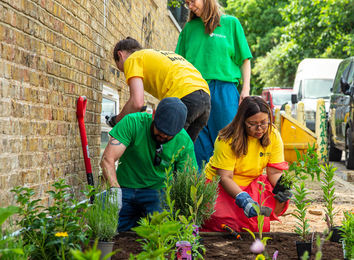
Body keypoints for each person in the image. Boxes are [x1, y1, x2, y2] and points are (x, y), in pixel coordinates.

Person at [101, 97, 197, 232]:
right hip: (124, 189)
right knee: (104, 226)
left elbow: (187, 182)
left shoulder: (184, 142)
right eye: (160, 128)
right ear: (154, 114)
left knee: (163, 231)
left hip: (158, 192)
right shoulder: (132, 122)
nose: (163, 135)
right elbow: (107, 159)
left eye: (169, 134)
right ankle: (138, 220)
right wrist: (114, 189)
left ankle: (139, 221)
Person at [175, 0, 252, 167]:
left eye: (192, 1)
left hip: (224, 91)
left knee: (228, 143)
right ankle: (205, 191)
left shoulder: (231, 23)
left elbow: (244, 60)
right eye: (187, 3)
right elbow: (178, 65)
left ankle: (231, 190)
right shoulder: (189, 29)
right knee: (198, 146)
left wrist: (245, 89)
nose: (190, 6)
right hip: (193, 91)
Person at [201, 96, 290, 233]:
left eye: (264, 123)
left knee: (272, 197)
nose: (259, 129)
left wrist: (282, 187)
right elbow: (225, 178)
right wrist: (242, 197)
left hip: (252, 183)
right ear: (242, 121)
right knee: (226, 223)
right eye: (253, 124)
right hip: (221, 185)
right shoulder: (226, 139)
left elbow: (274, 172)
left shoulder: (273, 135)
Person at [108, 37, 211, 143]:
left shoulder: (132, 59)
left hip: (185, 96)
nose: (125, 73)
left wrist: (116, 121)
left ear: (120, 55)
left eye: (121, 69)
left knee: (162, 143)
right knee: (182, 152)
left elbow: (137, 103)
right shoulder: (156, 55)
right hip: (205, 99)